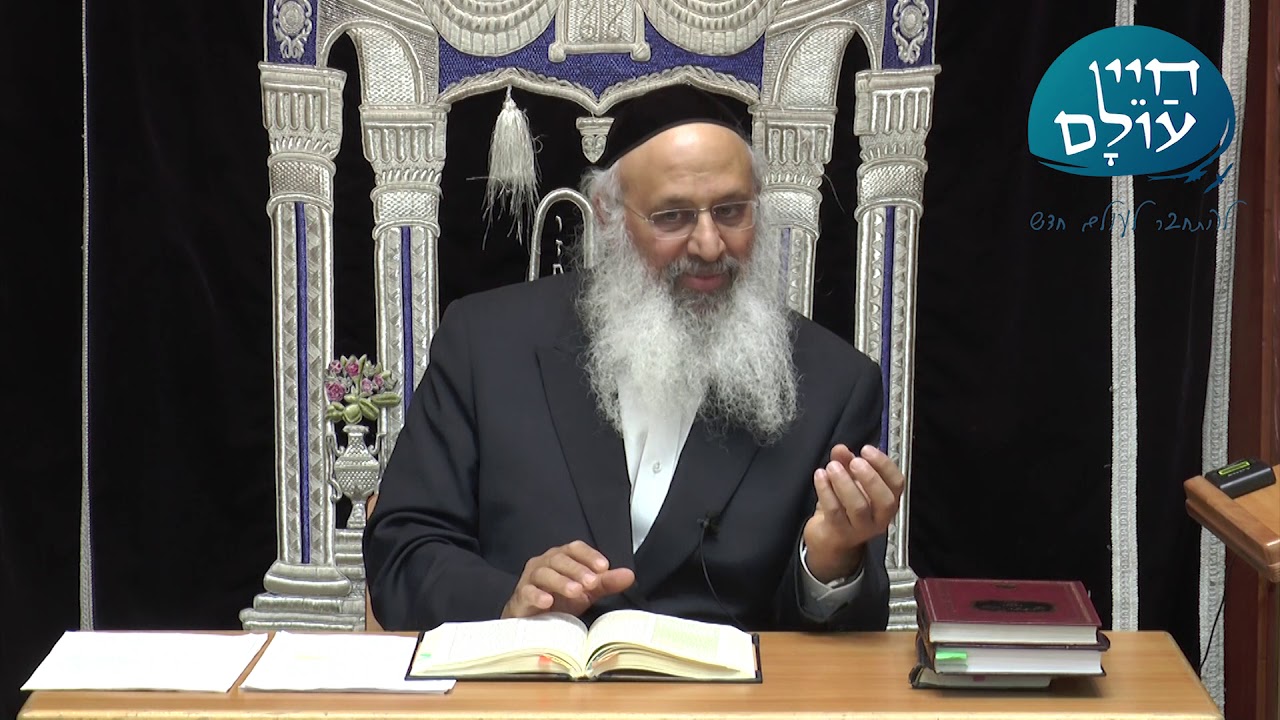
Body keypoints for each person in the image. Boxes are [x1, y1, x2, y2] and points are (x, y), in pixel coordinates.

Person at [364, 84, 904, 632]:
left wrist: (831, 562)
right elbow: (402, 549)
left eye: (731, 211)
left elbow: (845, 637)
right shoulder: (486, 342)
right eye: (673, 217)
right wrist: (508, 601)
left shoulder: (834, 383)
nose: (710, 245)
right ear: (608, 215)